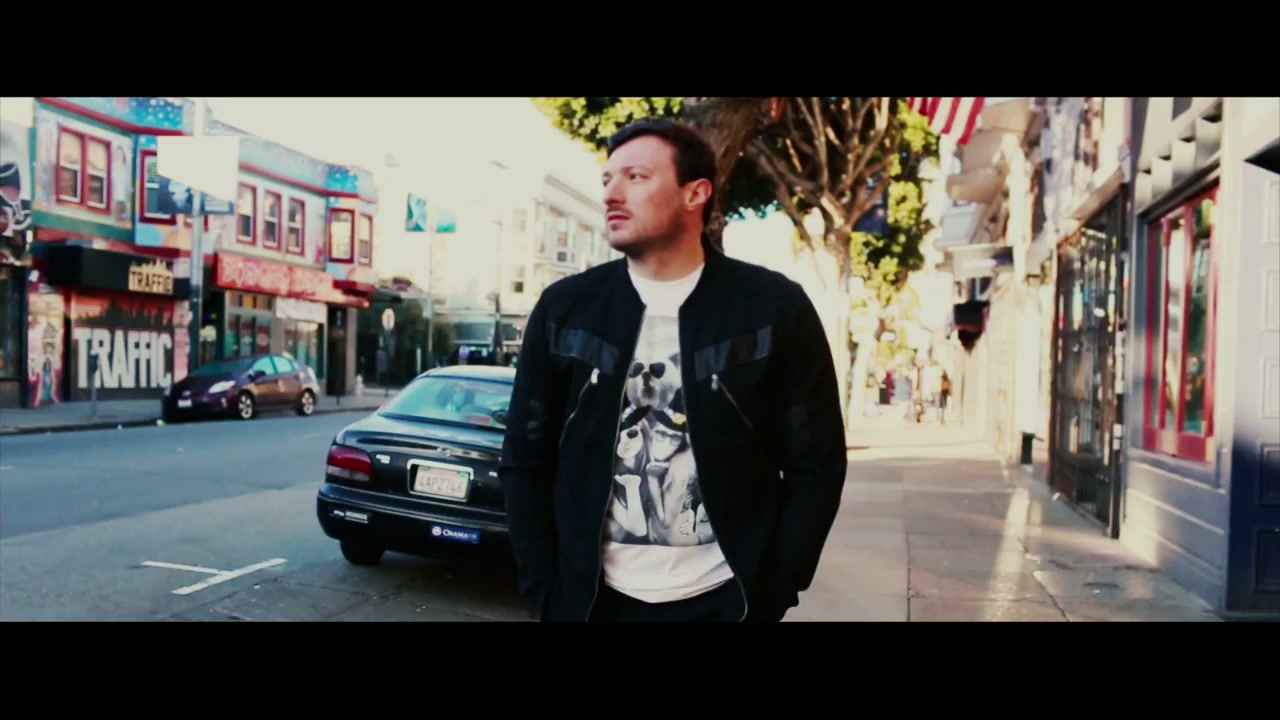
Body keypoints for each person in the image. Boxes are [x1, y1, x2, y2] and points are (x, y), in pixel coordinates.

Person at [499, 117, 847, 622]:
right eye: (608, 179)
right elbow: (524, 457)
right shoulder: (566, 309)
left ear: (695, 193)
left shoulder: (774, 310)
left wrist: (776, 586)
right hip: (593, 603)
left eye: (636, 177)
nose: (612, 193)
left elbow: (816, 462)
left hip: (725, 601)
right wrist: (545, 590)